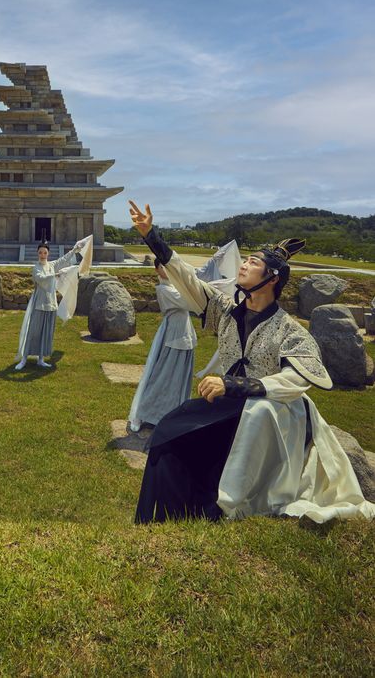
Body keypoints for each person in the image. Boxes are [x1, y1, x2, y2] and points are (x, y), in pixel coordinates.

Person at [129, 200, 375, 524]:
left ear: (271, 277)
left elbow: (297, 380)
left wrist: (233, 384)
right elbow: (187, 280)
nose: (243, 265)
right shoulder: (227, 311)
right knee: (169, 430)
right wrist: (151, 236)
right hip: (230, 402)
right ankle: (164, 519)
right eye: (245, 259)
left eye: (252, 262)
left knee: (251, 417)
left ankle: (224, 506)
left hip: (273, 412)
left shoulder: (289, 330)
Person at [128, 242, 241, 433]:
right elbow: (189, 298)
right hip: (174, 336)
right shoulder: (164, 289)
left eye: (167, 265)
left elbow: (193, 277)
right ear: (157, 269)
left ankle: (172, 413)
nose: (166, 269)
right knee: (163, 378)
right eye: (162, 266)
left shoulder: (175, 284)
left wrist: (215, 260)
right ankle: (147, 413)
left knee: (179, 379)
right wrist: (214, 289)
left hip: (184, 335)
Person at [15, 236, 92, 370]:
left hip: (51, 304)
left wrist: (74, 250)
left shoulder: (52, 265)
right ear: (37, 253)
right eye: (40, 253)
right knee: (34, 331)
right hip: (39, 303)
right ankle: (24, 359)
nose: (43, 255)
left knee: (46, 333)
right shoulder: (36, 268)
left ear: (48, 253)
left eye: (45, 253)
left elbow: (63, 260)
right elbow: (41, 279)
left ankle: (41, 359)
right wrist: (54, 275)